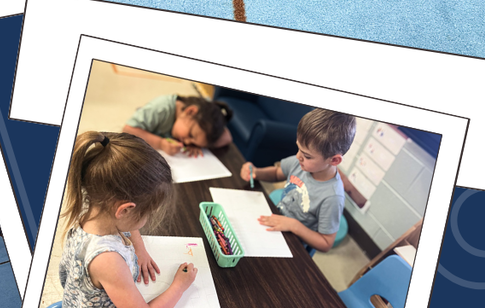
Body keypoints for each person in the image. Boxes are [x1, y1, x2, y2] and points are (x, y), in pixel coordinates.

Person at [58, 131, 196, 308]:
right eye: (148, 213)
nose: (148, 219)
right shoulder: (107, 260)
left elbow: (127, 222)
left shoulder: (91, 206)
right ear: (124, 210)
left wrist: (139, 248)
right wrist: (179, 285)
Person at [238, 107, 354, 254]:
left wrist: (294, 225)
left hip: (292, 244)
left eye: (307, 156)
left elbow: (326, 243)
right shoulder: (300, 162)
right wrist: (256, 172)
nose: (298, 156)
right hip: (277, 219)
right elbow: (277, 173)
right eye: (298, 148)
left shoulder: (333, 197)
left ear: (334, 160)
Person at [122, 94, 231, 158]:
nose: (187, 142)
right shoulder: (161, 108)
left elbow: (227, 138)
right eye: (191, 135)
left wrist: (198, 143)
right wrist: (160, 144)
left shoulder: (206, 113)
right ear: (190, 111)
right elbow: (127, 130)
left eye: (192, 142)